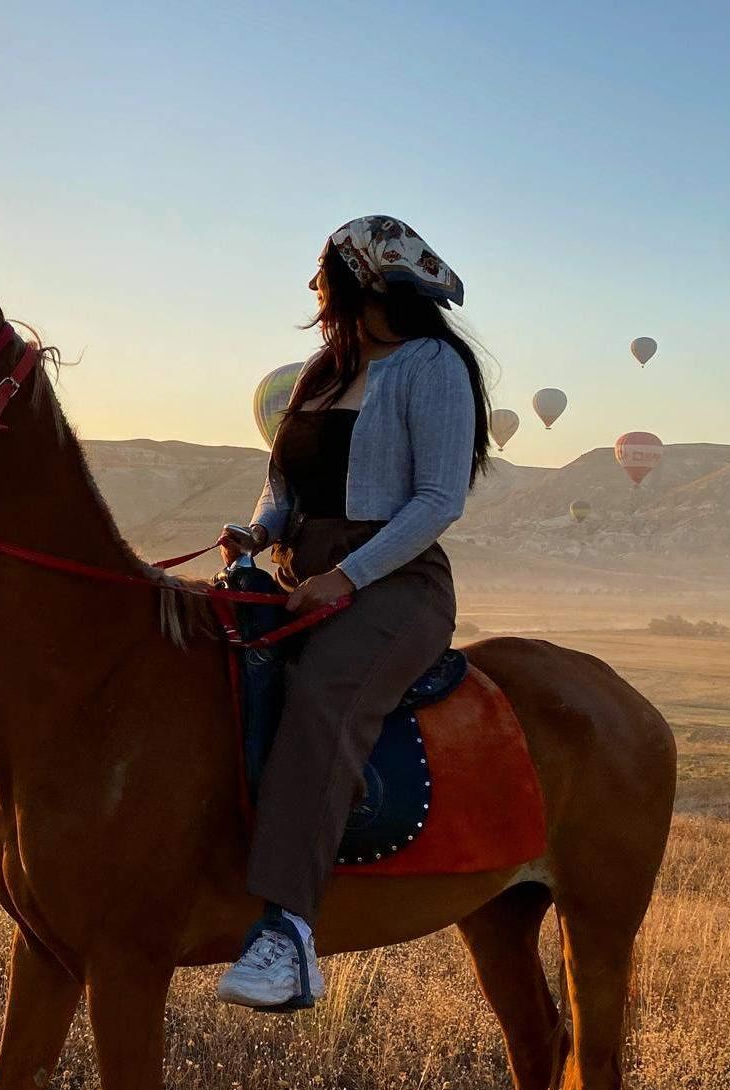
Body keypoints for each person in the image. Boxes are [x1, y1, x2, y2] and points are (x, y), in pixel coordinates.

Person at [215, 215, 490, 1010]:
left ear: (365, 280)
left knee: (324, 694)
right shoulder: (321, 371)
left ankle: (288, 930)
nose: (315, 290)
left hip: (396, 583)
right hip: (302, 569)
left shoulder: (433, 366)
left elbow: (437, 501)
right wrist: (258, 531)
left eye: (325, 274)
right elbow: (282, 483)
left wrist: (347, 577)